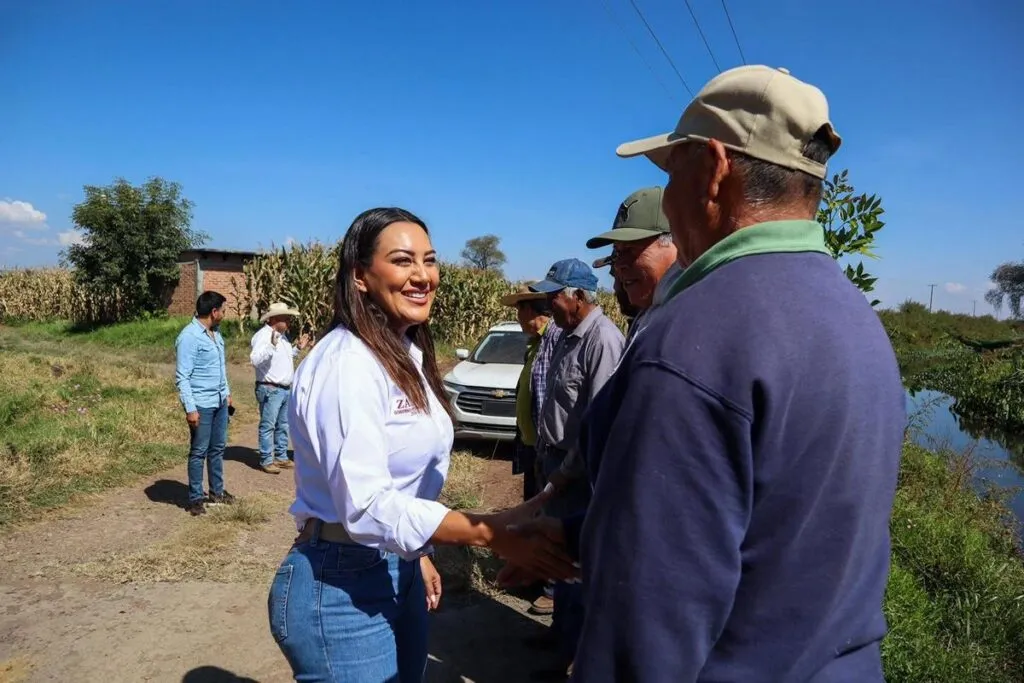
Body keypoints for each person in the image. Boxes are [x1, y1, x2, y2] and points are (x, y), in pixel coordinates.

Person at [517, 65, 906, 682]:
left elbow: (648, 623)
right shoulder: (857, 320)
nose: (669, 201)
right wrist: (582, 536)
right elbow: (776, 527)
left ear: (716, 171)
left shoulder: (694, 338)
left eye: (673, 174)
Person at [267, 207, 576, 683]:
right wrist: (489, 532)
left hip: (395, 565)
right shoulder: (348, 363)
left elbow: (402, 486)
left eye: (429, 261)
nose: (422, 275)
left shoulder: (405, 352)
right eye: (402, 261)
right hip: (342, 582)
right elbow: (366, 506)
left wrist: (418, 554)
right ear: (360, 276)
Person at [529, 258, 624, 678]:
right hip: (555, 462)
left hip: (578, 474)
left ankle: (573, 659)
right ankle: (559, 635)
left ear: (579, 297)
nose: (548, 304)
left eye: (554, 296)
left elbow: (597, 424)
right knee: (558, 558)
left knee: (577, 566)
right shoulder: (568, 336)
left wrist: (564, 473)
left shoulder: (603, 341)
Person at [586, 186, 680, 341]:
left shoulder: (694, 320)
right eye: (618, 251)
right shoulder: (645, 320)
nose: (619, 265)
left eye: (631, 249)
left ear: (676, 242)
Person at [174, 291, 234, 516]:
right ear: (214, 312)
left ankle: (217, 492)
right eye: (223, 310)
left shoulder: (215, 334)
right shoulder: (189, 337)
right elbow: (183, 377)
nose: (225, 314)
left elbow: (220, 368)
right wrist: (190, 409)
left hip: (219, 402)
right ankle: (195, 498)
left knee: (217, 449)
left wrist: (226, 393)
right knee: (199, 451)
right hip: (201, 404)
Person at [249, 301, 304, 474]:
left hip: (283, 388)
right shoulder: (263, 336)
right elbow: (255, 360)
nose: (288, 321)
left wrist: (297, 349)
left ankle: (280, 456)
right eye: (285, 318)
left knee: (283, 424)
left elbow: (282, 358)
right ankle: (266, 459)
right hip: (270, 388)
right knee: (269, 425)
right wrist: (271, 345)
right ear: (274, 319)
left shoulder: (282, 337)